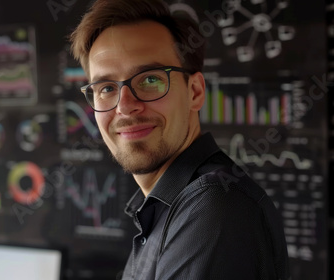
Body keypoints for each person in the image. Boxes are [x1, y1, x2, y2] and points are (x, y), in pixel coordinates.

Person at [69, 0, 290, 279]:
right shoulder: (168, 206)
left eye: (150, 80)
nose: (125, 107)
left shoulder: (212, 205)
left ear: (195, 92)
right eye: (107, 88)